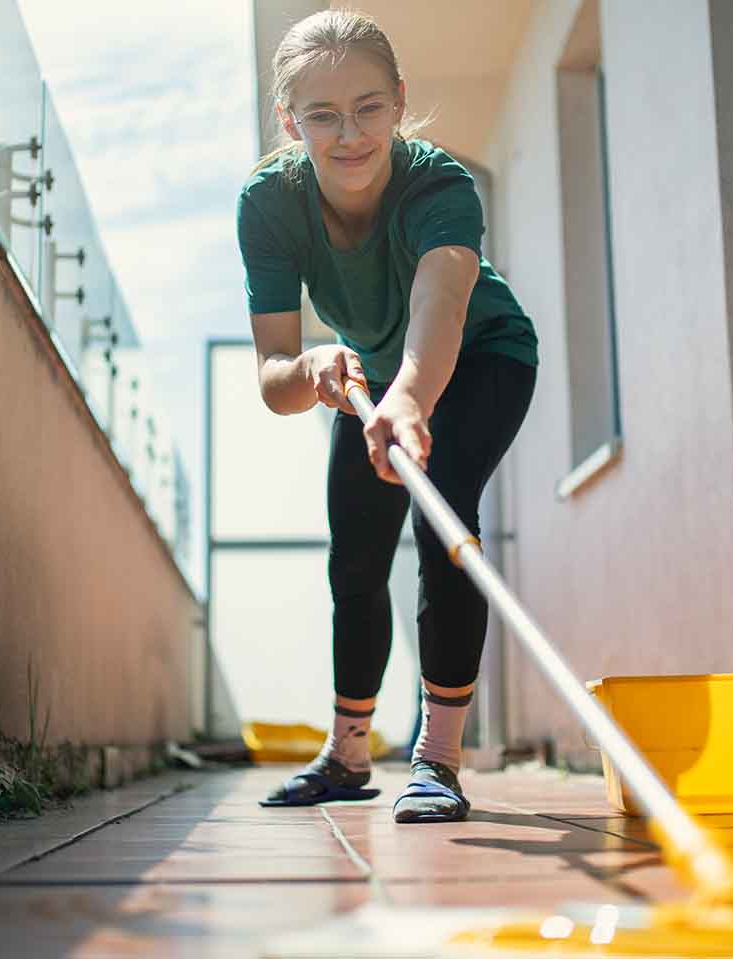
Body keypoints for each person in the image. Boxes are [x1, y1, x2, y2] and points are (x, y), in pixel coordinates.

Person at [237, 9, 537, 824]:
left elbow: (439, 313)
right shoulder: (269, 205)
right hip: (366, 374)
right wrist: (313, 368)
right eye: (322, 114)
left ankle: (438, 759)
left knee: (446, 518)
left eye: (369, 107)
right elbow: (274, 377)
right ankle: (348, 752)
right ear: (287, 118)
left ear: (400, 101)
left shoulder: (440, 185)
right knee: (356, 557)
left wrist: (409, 398)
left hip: (481, 360)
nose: (349, 135)